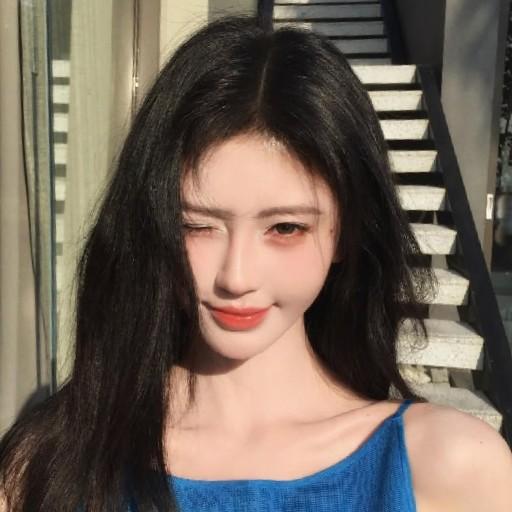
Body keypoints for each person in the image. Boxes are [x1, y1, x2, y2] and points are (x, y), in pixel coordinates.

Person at [1, 14, 512, 512]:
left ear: (346, 231)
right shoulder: (46, 462)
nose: (236, 276)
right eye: (196, 225)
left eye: (286, 228)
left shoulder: (449, 467)